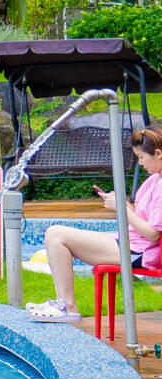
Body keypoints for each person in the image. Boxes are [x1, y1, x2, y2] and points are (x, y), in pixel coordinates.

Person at [28, 129, 162, 323]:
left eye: (141, 157)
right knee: (54, 234)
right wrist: (123, 205)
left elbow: (153, 235)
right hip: (132, 243)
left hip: (142, 251)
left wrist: (122, 210)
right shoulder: (153, 180)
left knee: (56, 235)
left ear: (158, 154)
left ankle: (68, 306)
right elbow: (142, 216)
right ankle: (63, 303)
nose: (140, 163)